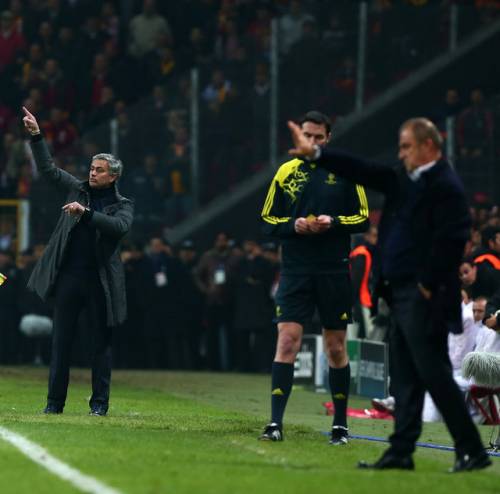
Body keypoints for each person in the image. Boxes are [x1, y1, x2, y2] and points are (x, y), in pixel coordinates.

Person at [287, 116, 490, 472]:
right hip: (401, 293)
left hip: (424, 296)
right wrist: (318, 154)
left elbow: (453, 238)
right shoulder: (406, 178)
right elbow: (364, 170)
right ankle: (401, 451)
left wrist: (427, 285)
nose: (401, 154)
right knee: (406, 379)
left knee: (433, 374)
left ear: (429, 146)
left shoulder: (446, 185)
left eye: (407, 147)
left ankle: (471, 450)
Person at [259, 111, 369, 445]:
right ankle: (275, 423)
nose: (312, 141)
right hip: (296, 269)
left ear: (328, 138)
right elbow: (266, 220)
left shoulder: (345, 170)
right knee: (287, 341)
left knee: (335, 347)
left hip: (334, 269)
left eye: (318, 137)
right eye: (307, 135)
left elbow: (363, 218)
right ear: (300, 136)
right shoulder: (286, 171)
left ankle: (340, 425)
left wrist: (333, 222)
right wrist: (293, 225)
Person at [22, 107, 134, 416]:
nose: (92, 173)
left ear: (113, 176)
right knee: (61, 343)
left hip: (100, 282)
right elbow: (48, 170)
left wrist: (85, 213)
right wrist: (37, 136)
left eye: (99, 170)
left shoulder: (123, 205)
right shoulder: (76, 188)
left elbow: (119, 228)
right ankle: (53, 404)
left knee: (100, 345)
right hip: (69, 278)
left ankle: (99, 405)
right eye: (92, 168)